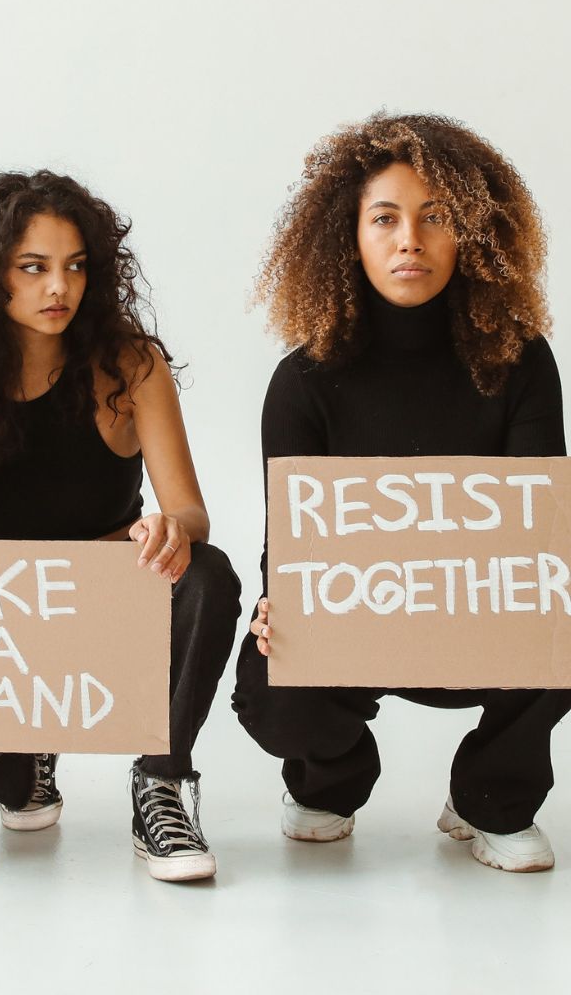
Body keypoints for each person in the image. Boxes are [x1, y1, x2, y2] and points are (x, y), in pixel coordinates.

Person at [0, 170, 242, 881]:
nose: (59, 289)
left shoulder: (130, 368)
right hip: (19, 627)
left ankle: (161, 784)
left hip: (119, 599)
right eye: (34, 268)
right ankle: (26, 770)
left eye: (75, 267)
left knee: (210, 573)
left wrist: (169, 528)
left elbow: (191, 511)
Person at [233, 113, 568, 872]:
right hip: (355, 627)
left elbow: (541, 530)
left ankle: (491, 797)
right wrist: (275, 606)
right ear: (346, 236)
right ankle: (332, 781)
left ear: (473, 232)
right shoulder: (303, 381)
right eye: (384, 218)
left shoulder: (520, 360)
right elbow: (289, 548)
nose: (408, 239)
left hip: (485, 624)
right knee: (270, 685)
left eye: (435, 216)